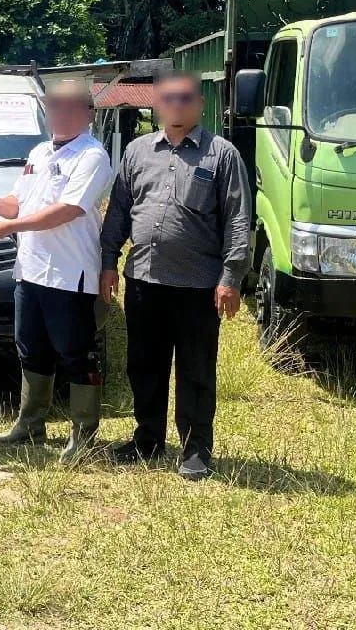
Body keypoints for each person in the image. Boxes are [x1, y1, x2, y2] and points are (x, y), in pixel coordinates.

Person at [99, 72, 251, 480]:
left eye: (185, 98)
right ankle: (147, 440)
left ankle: (195, 449)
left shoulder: (222, 155)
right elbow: (119, 211)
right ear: (157, 105)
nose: (177, 105)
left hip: (198, 286)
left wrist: (231, 277)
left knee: (195, 371)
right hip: (144, 281)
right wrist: (108, 262)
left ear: (200, 104)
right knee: (143, 366)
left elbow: (238, 220)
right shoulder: (137, 152)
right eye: (168, 98)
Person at [0, 80, 113, 463]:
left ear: (89, 113)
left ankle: (84, 434)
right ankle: (30, 423)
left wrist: (8, 227)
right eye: (54, 105)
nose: (61, 113)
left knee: (75, 353)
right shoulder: (39, 151)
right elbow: (20, 201)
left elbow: (68, 209)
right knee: (30, 349)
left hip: (69, 274)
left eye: (71, 106)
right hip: (30, 270)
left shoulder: (92, 156)